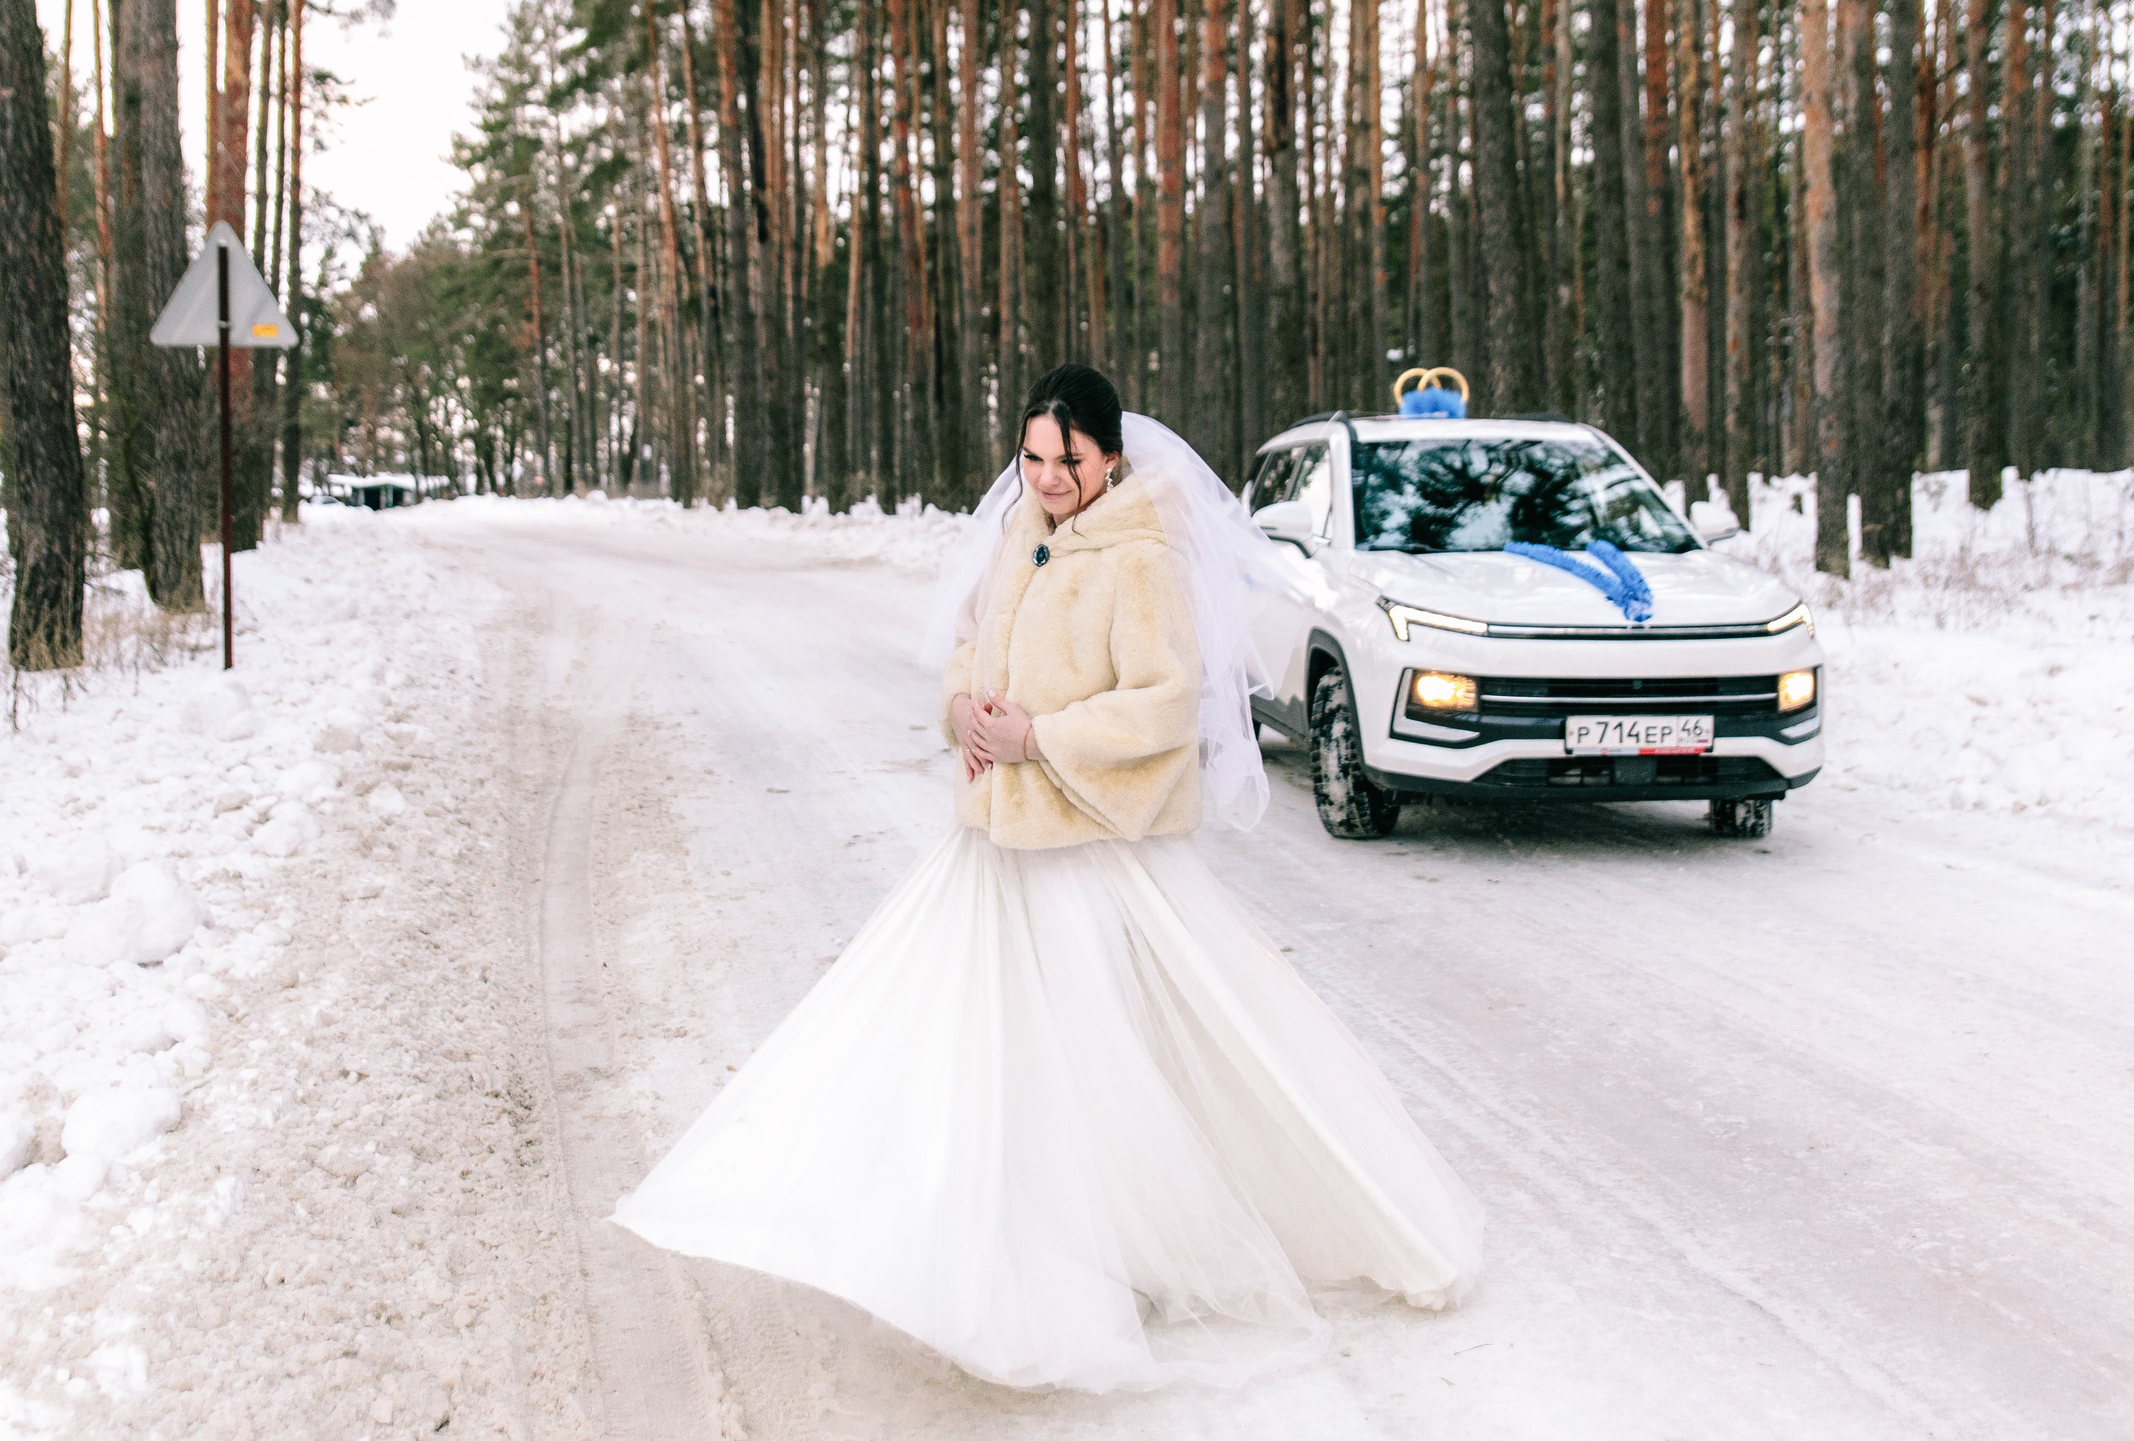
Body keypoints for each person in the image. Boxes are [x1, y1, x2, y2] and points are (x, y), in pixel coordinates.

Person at [613, 365, 1483, 1393]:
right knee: (957, 1046)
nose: (1048, 476)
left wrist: (1040, 736)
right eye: (1032, 457)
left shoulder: (1143, 553)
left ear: (1109, 454)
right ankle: (972, 1242)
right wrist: (967, 715)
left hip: (1089, 844)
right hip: (997, 840)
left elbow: (1164, 703)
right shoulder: (1019, 533)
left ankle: (1114, 1257)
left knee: (1105, 1059)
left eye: (1066, 458)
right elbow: (975, 645)